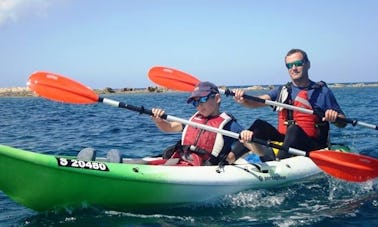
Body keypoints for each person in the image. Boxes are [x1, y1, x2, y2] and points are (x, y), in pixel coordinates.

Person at [228, 48, 347, 163]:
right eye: (289, 65)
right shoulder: (283, 90)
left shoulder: (322, 92)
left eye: (298, 64)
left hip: (312, 144)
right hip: (286, 141)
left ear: (308, 64)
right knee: (259, 125)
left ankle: (278, 162)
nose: (293, 68)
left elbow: (343, 122)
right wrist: (243, 100)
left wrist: (335, 118)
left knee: (293, 129)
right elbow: (259, 101)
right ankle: (230, 158)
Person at [151, 81, 253, 166]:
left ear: (217, 98)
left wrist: (248, 137)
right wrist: (159, 121)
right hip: (183, 160)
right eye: (195, 102)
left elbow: (254, 149)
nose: (199, 105)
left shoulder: (229, 125)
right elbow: (168, 127)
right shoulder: (194, 120)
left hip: (205, 168)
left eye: (203, 99)